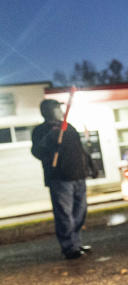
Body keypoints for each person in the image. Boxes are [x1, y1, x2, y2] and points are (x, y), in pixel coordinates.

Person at [31, 98, 95, 260]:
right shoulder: (41, 130)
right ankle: (69, 247)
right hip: (59, 177)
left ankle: (76, 242)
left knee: (79, 212)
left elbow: (80, 149)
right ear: (48, 111)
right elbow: (37, 151)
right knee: (64, 214)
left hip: (78, 175)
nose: (60, 111)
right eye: (57, 109)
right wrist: (50, 137)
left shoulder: (68, 127)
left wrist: (91, 165)